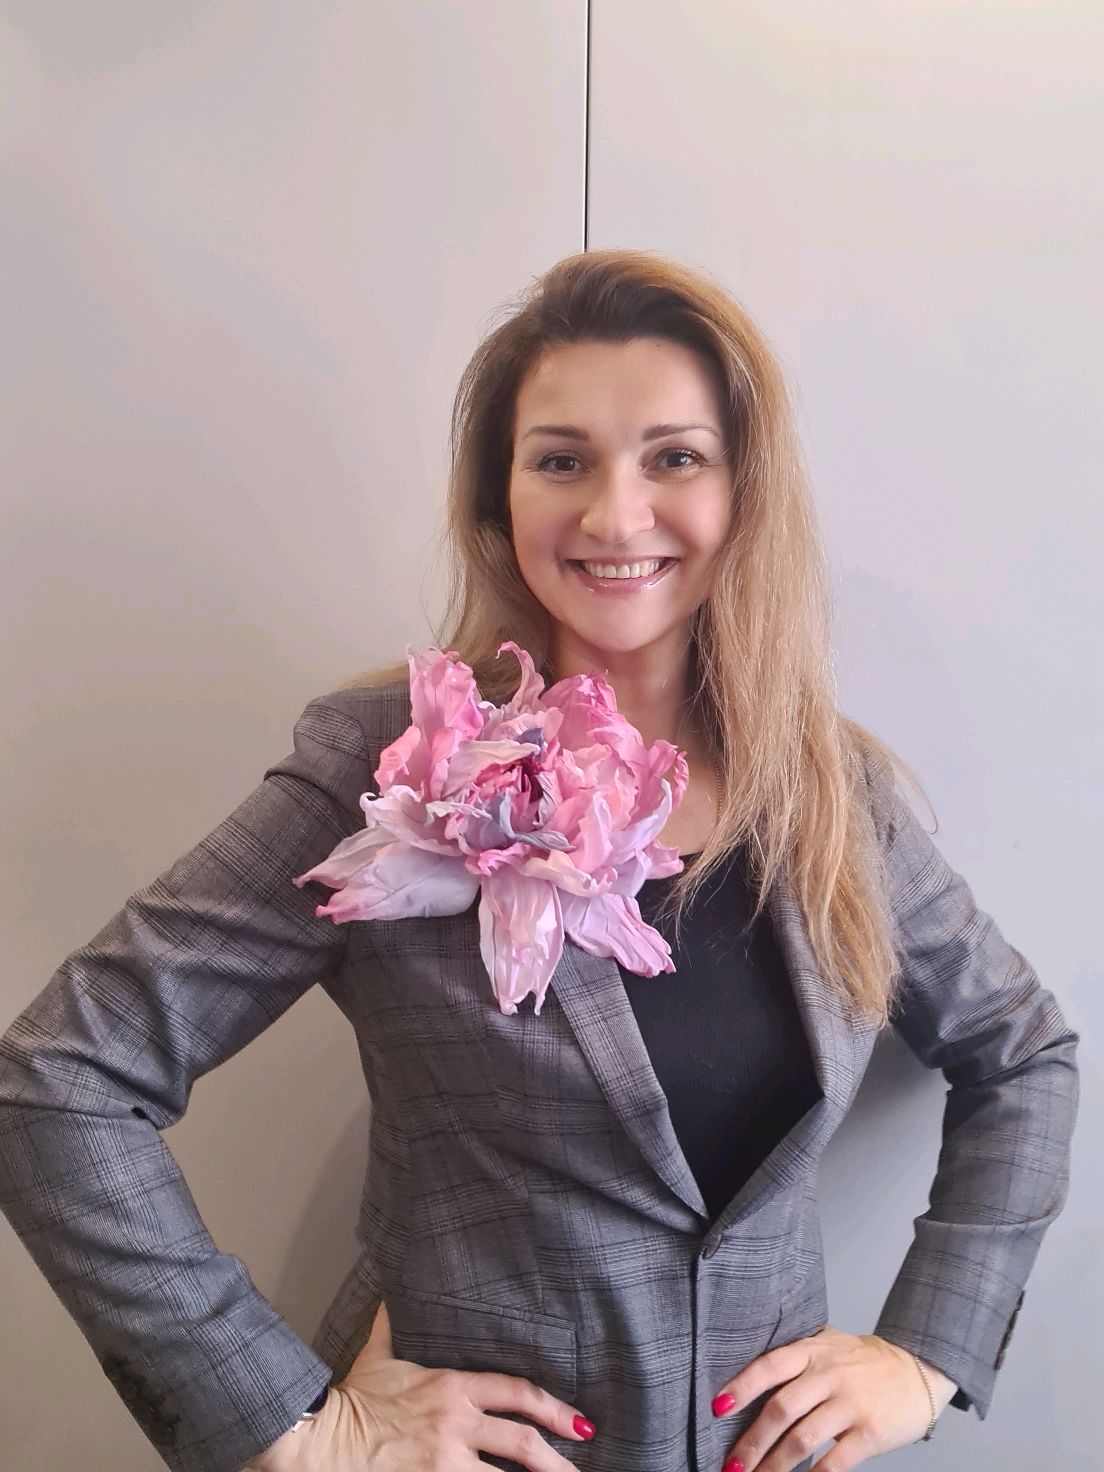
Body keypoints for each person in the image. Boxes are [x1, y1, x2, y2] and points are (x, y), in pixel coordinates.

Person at [0, 249, 1079, 1472]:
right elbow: (59, 1079)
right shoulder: (385, 766)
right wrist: (289, 1426)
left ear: (746, 492)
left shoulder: (831, 794)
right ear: (496, 499)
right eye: (561, 460)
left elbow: (1024, 1050)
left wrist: (929, 1350)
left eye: (675, 457)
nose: (616, 515)